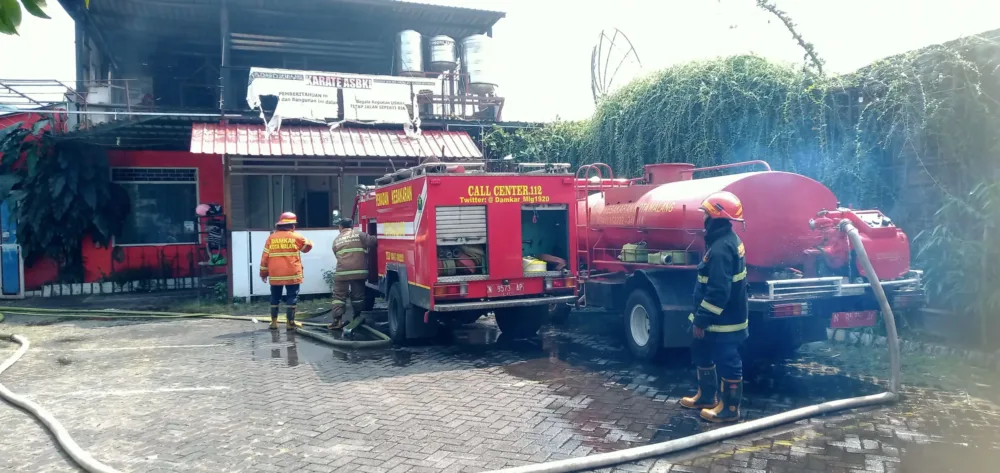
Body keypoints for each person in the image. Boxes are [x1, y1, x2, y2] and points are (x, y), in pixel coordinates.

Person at [679, 191, 749, 423]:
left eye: (706, 214)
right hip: (719, 318)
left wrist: (702, 320)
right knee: (701, 350)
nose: (703, 218)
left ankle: (730, 408)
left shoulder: (721, 249)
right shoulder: (724, 240)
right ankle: (707, 397)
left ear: (715, 217)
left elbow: (719, 290)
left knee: (727, 358)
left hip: (725, 321)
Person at [259, 212, 313, 330]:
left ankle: (274, 323)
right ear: (292, 225)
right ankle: (290, 323)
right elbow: (307, 248)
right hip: (291, 273)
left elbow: (265, 257)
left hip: (275, 274)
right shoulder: (296, 236)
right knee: (292, 296)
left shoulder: (271, 238)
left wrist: (263, 273)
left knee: (275, 296)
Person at [329, 217, 377, 330]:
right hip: (358, 272)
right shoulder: (359, 235)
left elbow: (337, 255)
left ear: (341, 227)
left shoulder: (336, 240)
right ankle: (357, 317)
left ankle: (337, 321)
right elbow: (373, 241)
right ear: (352, 226)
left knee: (338, 296)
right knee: (358, 296)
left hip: (342, 272)